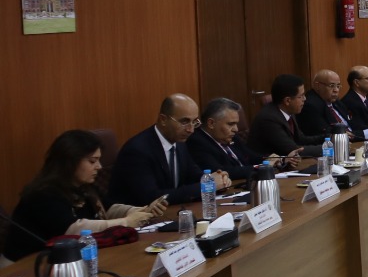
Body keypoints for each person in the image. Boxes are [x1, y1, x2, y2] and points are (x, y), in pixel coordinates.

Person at [3, 130, 164, 263]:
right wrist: (126, 222)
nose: (99, 167)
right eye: (92, 161)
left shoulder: (84, 186)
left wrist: (141, 211)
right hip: (25, 265)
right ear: (70, 162)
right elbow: (72, 229)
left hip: (64, 260)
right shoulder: (43, 194)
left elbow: (108, 208)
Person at [108, 93, 233, 206]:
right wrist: (207, 186)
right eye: (184, 122)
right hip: (135, 218)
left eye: (194, 122)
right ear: (163, 120)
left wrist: (216, 179)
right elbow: (152, 198)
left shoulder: (179, 143)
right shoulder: (137, 150)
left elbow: (194, 175)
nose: (191, 129)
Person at [187, 97, 269, 180]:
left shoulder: (230, 137)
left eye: (236, 124)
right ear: (211, 123)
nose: (236, 129)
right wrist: (260, 168)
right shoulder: (196, 142)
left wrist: (271, 159)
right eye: (231, 124)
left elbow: (251, 156)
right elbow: (220, 172)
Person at [249, 75, 325, 157]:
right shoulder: (269, 119)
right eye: (301, 96)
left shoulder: (288, 110)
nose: (305, 99)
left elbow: (301, 139)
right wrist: (327, 148)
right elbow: (294, 150)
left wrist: (327, 137)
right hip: (268, 164)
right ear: (287, 101)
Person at [300, 69, 355, 137]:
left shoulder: (337, 102)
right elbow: (324, 131)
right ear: (318, 86)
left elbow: (352, 124)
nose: (336, 90)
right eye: (332, 86)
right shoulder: (311, 105)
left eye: (338, 86)